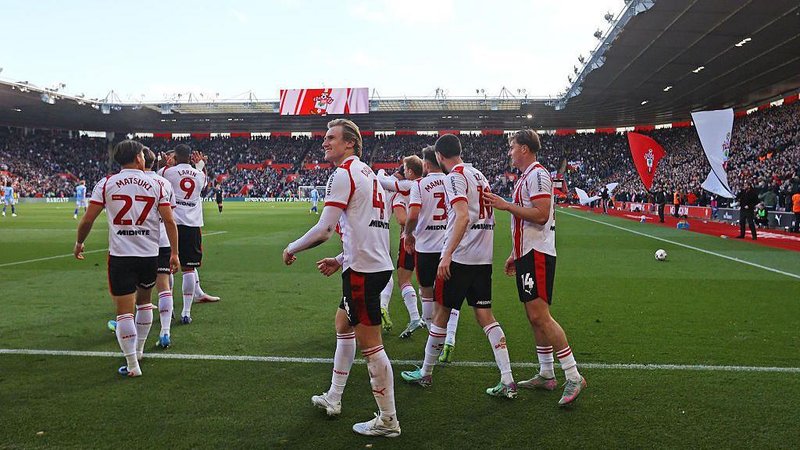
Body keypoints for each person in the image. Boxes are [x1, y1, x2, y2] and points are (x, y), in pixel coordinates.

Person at [282, 118, 400, 438]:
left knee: (372, 346)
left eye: (331, 137)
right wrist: (340, 258)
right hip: (370, 264)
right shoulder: (369, 174)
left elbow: (323, 230)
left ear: (350, 143)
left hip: (363, 270)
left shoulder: (344, 173)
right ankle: (334, 397)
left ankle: (388, 419)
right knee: (342, 323)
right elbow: (366, 228)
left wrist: (292, 247)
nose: (324, 143)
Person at [401, 134, 516, 399]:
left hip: (461, 257)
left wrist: (447, 254)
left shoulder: (455, 177)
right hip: (482, 258)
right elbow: (490, 216)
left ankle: (426, 373)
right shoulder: (480, 175)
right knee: (486, 316)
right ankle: (508, 379)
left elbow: (462, 216)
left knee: (441, 313)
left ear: (439, 157)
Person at [486, 130, 587, 406]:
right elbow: (525, 222)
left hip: (538, 254)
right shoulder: (526, 177)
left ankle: (573, 374)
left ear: (525, 149)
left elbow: (541, 215)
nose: (509, 152)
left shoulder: (538, 174)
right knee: (533, 316)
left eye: (512, 147)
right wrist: (514, 253)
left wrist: (506, 206)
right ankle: (546, 373)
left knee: (541, 316)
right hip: (527, 254)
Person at [74, 140, 179, 377]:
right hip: (149, 255)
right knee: (144, 303)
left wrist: (80, 242)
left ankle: (132, 364)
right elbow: (170, 221)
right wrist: (174, 253)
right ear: (139, 158)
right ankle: (140, 349)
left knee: (123, 312)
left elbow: (88, 220)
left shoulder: (107, 183)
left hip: (121, 255)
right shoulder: (155, 185)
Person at [403, 146, 460, 363]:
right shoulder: (452, 181)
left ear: (426, 164)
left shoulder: (419, 184)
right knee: (449, 296)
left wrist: (408, 233)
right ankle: (449, 339)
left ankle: (432, 340)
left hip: (426, 247)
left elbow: (414, 213)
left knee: (426, 292)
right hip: (448, 247)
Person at [159, 145, 220, 324]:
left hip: (171, 225)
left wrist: (165, 163)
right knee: (189, 269)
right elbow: (203, 180)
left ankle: (168, 309)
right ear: (190, 157)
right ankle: (186, 312)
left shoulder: (166, 172)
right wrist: (200, 165)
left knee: (167, 266)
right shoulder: (199, 175)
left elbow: (157, 174)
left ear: (175, 157)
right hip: (192, 225)